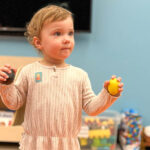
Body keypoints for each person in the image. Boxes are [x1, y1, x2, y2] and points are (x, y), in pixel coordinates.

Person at [0, 5, 123, 150]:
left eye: (70, 33)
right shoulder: (28, 72)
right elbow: (13, 103)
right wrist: (6, 84)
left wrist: (108, 94)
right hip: (33, 144)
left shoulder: (79, 75)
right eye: (57, 33)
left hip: (67, 145)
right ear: (38, 42)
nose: (66, 39)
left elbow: (91, 108)